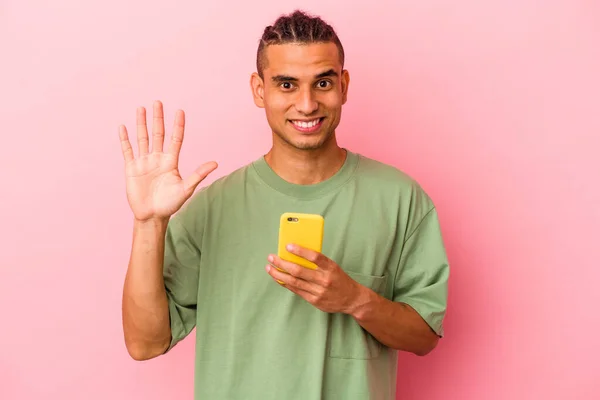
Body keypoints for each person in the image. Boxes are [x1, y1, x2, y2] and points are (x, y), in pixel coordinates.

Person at [119, 9, 449, 400]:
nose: (307, 104)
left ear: (343, 85)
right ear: (260, 90)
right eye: (287, 85)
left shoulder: (401, 199)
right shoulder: (211, 209)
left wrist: (355, 299)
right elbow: (145, 343)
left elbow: (425, 337)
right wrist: (148, 223)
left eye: (322, 82)